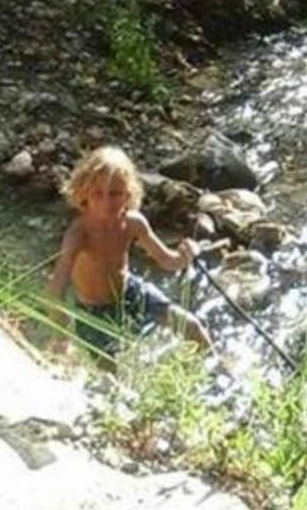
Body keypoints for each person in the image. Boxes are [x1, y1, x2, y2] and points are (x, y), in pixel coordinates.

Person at [48, 144, 214, 354]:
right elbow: (56, 289)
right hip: (93, 309)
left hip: (130, 291)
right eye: (98, 193)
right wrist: (60, 333)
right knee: (107, 367)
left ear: (128, 194)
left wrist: (186, 254)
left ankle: (218, 368)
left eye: (115, 193)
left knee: (191, 326)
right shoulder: (79, 233)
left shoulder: (133, 223)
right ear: (83, 193)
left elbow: (168, 261)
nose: (106, 203)